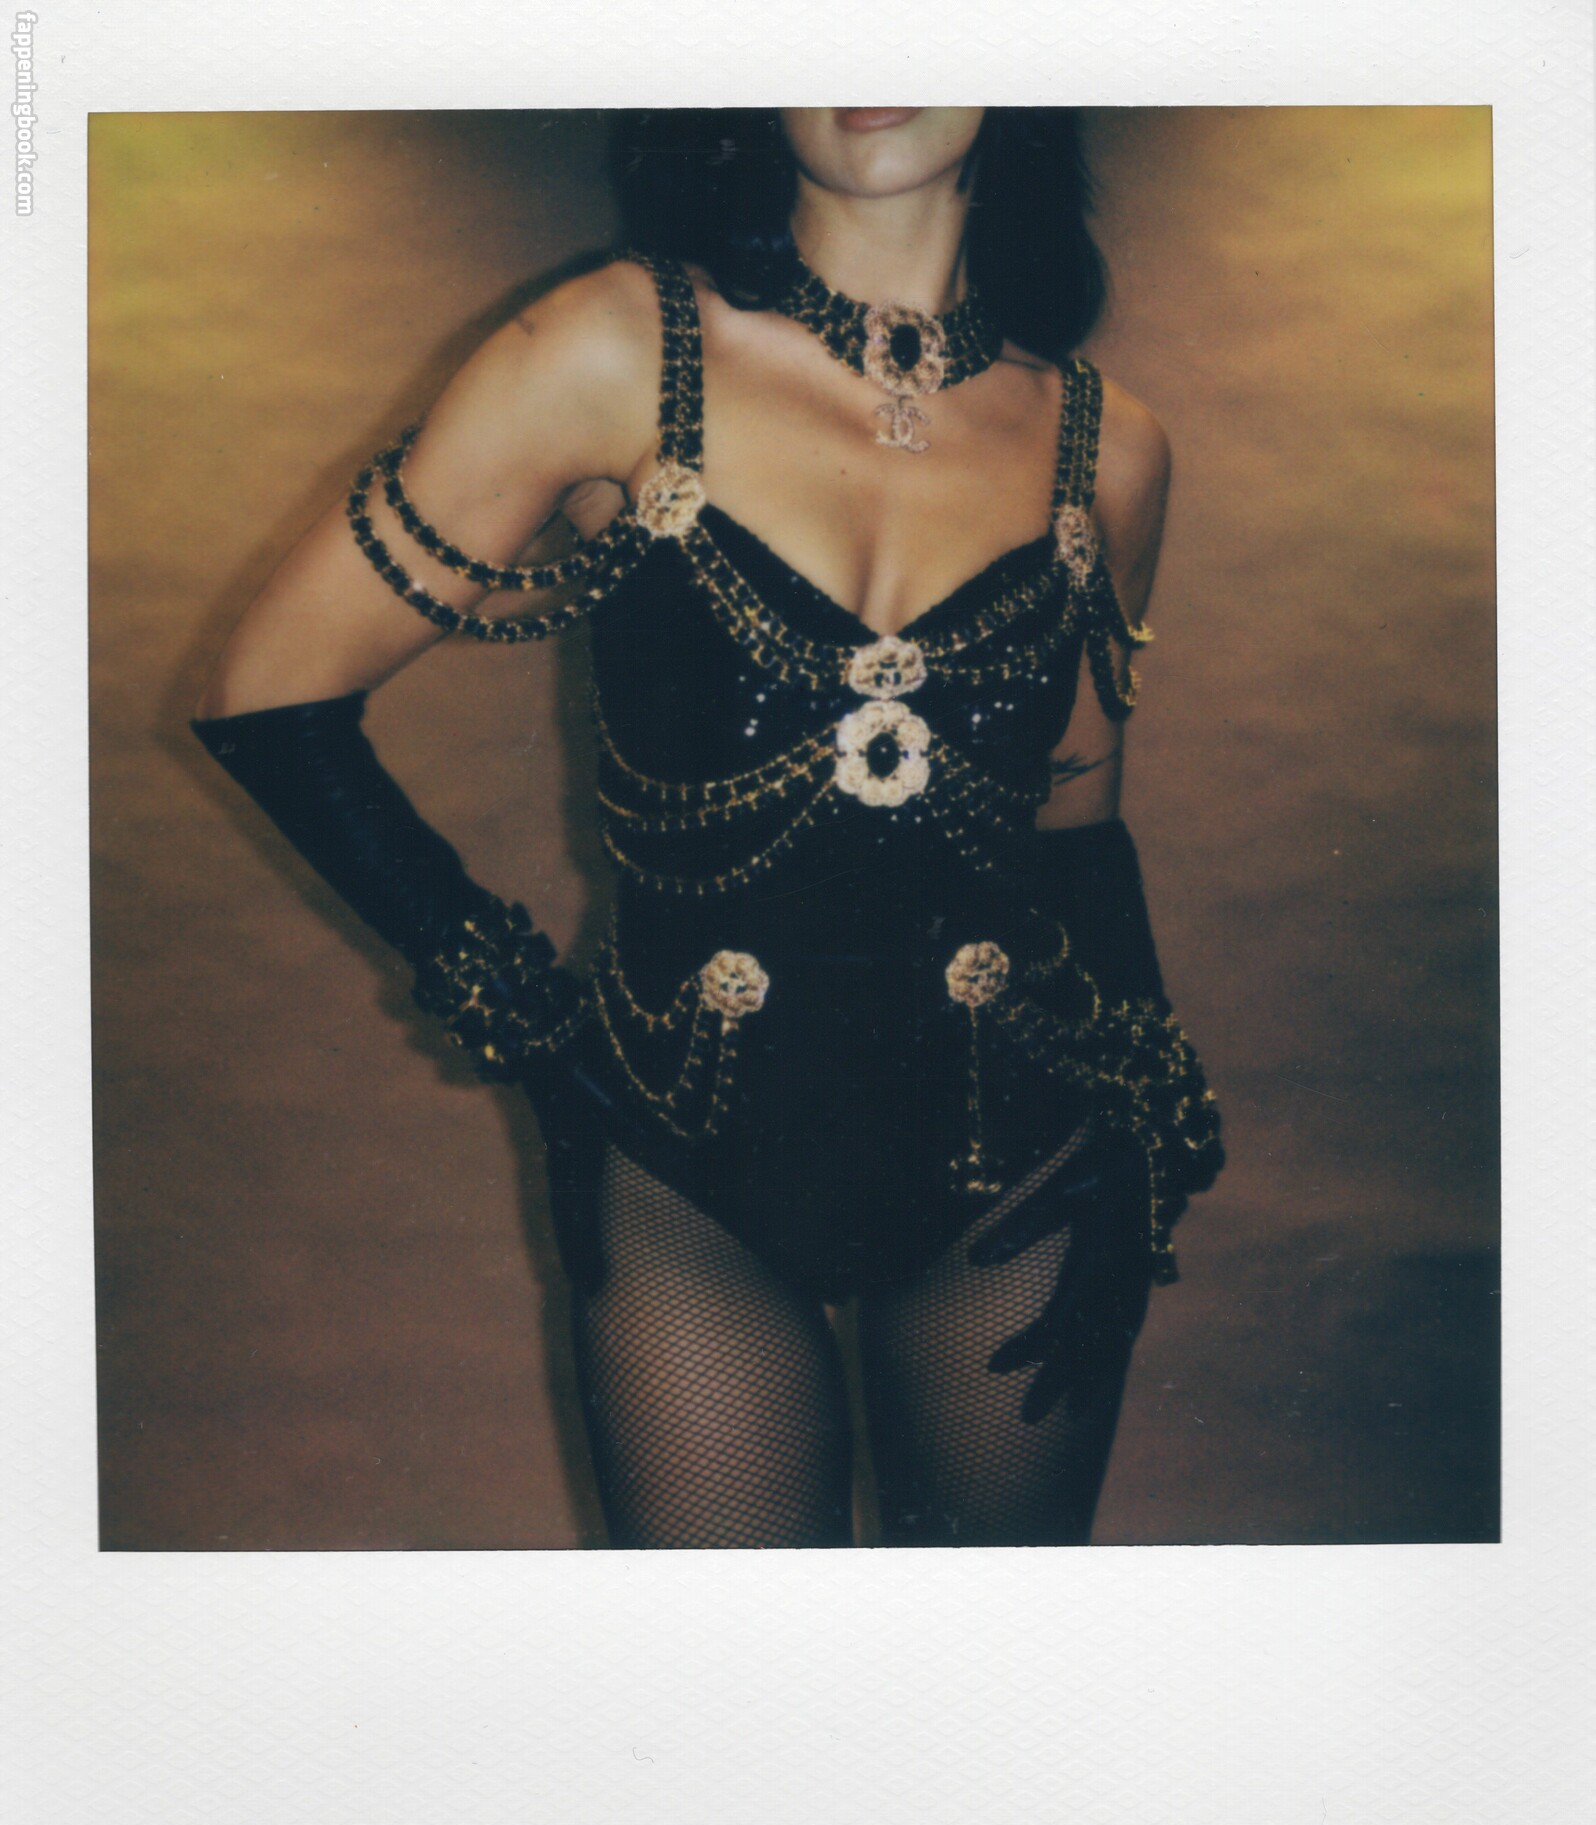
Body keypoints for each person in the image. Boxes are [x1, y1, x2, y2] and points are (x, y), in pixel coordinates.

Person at [192, 107, 1223, 1550]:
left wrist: (1141, 1132)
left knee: (986, 1664)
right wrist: (525, 1023)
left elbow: (1074, 821)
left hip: (1022, 1166)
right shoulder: (612, 351)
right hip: (691, 1171)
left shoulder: (1112, 449)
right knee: (727, 1670)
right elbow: (270, 692)